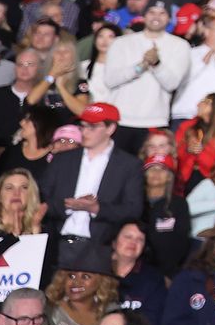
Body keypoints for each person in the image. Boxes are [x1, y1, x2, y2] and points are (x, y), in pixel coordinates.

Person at [42, 102, 145, 244]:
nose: (84, 132)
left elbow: (133, 209)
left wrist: (97, 208)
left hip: (99, 246)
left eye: (92, 127)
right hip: (57, 242)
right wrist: (66, 205)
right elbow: (42, 196)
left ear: (110, 128)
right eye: (82, 126)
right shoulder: (63, 159)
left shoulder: (129, 165)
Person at [103, 0, 193, 151]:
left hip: (154, 120)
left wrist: (156, 64)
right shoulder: (121, 43)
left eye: (162, 13)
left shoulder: (180, 45)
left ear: (169, 18)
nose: (156, 17)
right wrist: (140, 67)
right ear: (143, 15)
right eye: (152, 12)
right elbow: (110, 80)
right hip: (120, 119)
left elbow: (172, 84)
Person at [43, 240, 121, 325]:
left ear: (101, 281)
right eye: (71, 275)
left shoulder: (113, 314)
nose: (76, 282)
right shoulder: (49, 312)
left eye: (85, 276)